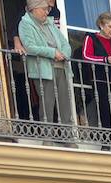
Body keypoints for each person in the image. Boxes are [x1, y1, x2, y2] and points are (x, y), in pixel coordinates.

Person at [17, 0, 76, 131]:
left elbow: (65, 44)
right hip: (43, 69)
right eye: (44, 9)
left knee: (65, 105)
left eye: (47, 9)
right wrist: (53, 52)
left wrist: (64, 54)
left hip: (62, 68)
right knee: (47, 104)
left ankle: (68, 137)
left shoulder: (50, 23)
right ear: (34, 9)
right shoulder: (25, 24)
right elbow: (30, 47)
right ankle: (47, 136)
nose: (47, 12)